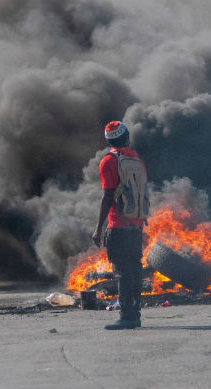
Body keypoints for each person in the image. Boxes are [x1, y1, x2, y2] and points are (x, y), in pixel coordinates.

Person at [92, 121, 146, 330]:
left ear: (108, 140)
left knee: (122, 272)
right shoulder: (136, 159)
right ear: (127, 137)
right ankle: (135, 315)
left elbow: (107, 196)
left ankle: (126, 316)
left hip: (119, 225)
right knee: (134, 270)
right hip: (136, 224)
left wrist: (98, 228)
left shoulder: (108, 161)